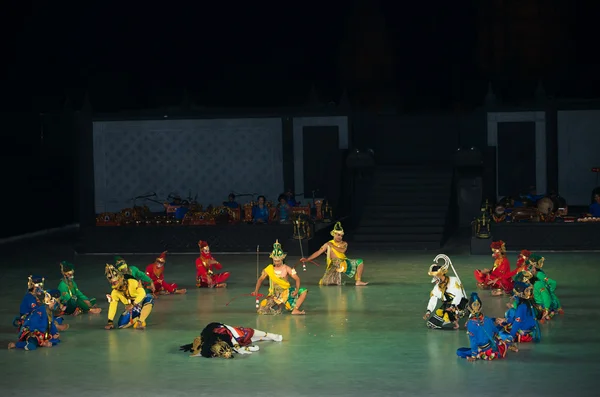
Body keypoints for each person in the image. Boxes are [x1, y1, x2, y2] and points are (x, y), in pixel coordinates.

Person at [301, 222, 368, 286]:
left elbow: (342, 250)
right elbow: (318, 252)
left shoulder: (344, 243)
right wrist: (307, 259)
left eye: (341, 236)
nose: (340, 237)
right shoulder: (328, 244)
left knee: (360, 262)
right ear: (334, 234)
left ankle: (358, 281)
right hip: (334, 264)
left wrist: (332, 245)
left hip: (343, 262)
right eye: (338, 235)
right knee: (326, 283)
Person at [252, 240, 308, 315]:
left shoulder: (287, 268)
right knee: (262, 310)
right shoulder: (269, 269)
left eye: (278, 261)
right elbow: (260, 279)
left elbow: (297, 279)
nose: (276, 263)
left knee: (304, 291)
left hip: (286, 292)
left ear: (282, 259)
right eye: (275, 261)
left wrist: (297, 290)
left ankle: (295, 309)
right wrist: (256, 290)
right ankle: (278, 305)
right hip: (274, 295)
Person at [179, 322, 283, 358]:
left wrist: (237, 347)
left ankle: (270, 335)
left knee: (246, 332)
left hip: (229, 331)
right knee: (246, 340)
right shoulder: (208, 348)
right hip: (226, 339)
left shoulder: (220, 333)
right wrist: (245, 349)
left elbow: (230, 336)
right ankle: (263, 337)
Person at [457, 293, 509, 361]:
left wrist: (473, 355)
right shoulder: (487, 318)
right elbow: (495, 330)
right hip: (496, 346)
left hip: (486, 350)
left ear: (469, 307)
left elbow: (473, 341)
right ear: (480, 306)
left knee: (459, 351)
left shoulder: (471, 323)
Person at [104, 264, 154, 330]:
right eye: (112, 283)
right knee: (121, 325)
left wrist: (133, 304)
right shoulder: (115, 292)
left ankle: (140, 322)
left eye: (115, 282)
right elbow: (113, 305)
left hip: (141, 301)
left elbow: (142, 293)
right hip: (132, 308)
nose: (114, 285)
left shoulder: (132, 282)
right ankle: (138, 317)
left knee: (149, 298)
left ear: (120, 279)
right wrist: (110, 322)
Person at [423, 259, 467, 330]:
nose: (434, 279)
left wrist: (453, 306)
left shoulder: (453, 280)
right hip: (446, 305)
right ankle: (452, 319)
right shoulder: (437, 286)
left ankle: (455, 319)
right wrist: (429, 311)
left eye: (435, 276)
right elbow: (433, 298)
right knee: (431, 324)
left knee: (446, 318)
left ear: (440, 275)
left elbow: (459, 294)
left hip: (458, 304)